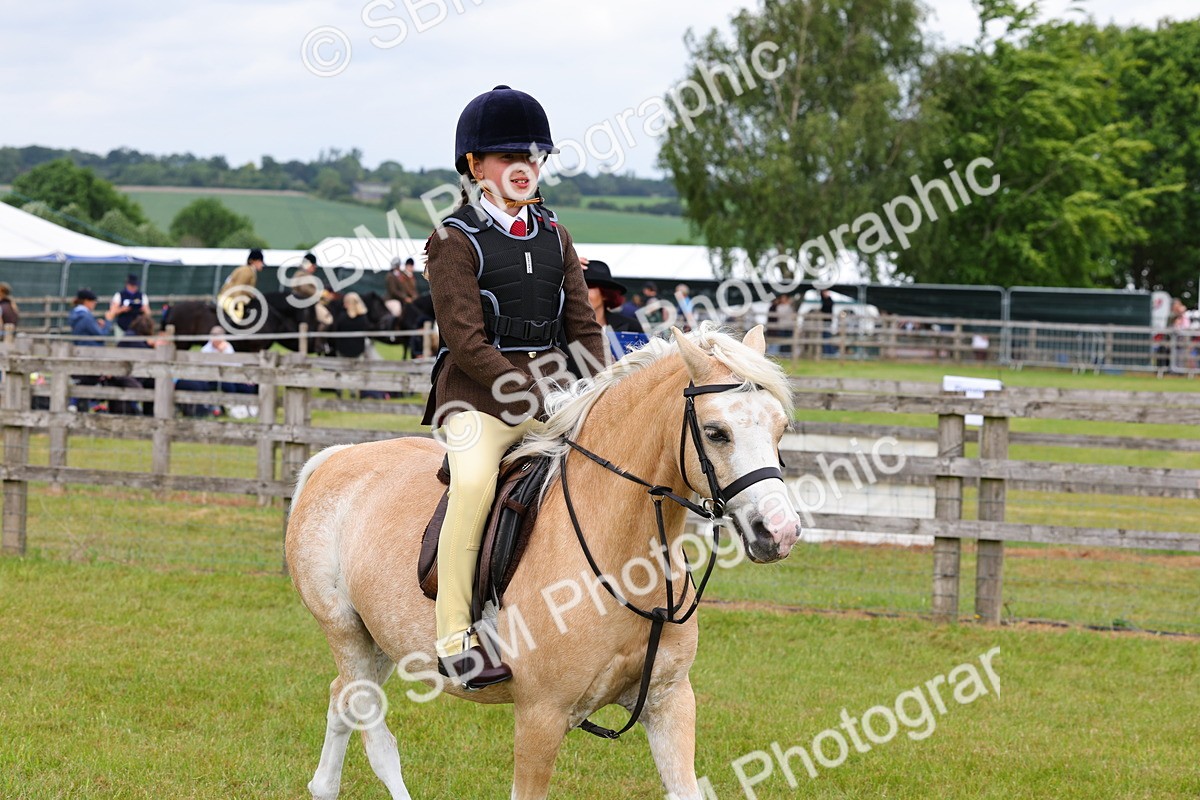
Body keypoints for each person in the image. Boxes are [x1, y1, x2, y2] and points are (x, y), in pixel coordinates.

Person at [420, 85, 607, 687]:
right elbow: (467, 342)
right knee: (474, 486)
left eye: (533, 157)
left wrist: (601, 393)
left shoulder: (555, 234)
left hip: (554, 397)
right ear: (475, 166)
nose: (523, 168)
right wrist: (533, 392)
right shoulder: (451, 240)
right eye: (508, 158)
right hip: (477, 400)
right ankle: (454, 638)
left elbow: (583, 327)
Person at [581, 258, 646, 361]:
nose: (581, 292)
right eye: (577, 287)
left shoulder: (631, 327)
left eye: (588, 286)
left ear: (605, 294)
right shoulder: (563, 328)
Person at [67, 288, 118, 411]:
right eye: (93, 301)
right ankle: (77, 405)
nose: (95, 304)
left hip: (80, 352)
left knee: (83, 383)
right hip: (91, 354)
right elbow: (101, 337)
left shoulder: (75, 315)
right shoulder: (86, 317)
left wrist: (97, 326)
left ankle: (75, 405)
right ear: (86, 301)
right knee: (89, 382)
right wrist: (108, 321)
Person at [220, 249, 265, 324]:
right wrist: (236, 302)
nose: (262, 264)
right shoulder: (246, 271)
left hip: (233, 297)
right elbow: (238, 287)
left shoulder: (249, 270)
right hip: (230, 298)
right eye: (260, 261)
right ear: (253, 261)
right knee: (238, 316)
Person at [820, 288, 836, 356]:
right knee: (825, 337)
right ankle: (827, 352)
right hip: (825, 322)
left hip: (828, 321)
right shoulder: (824, 300)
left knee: (827, 337)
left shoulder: (829, 300)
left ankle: (829, 352)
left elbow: (825, 308)